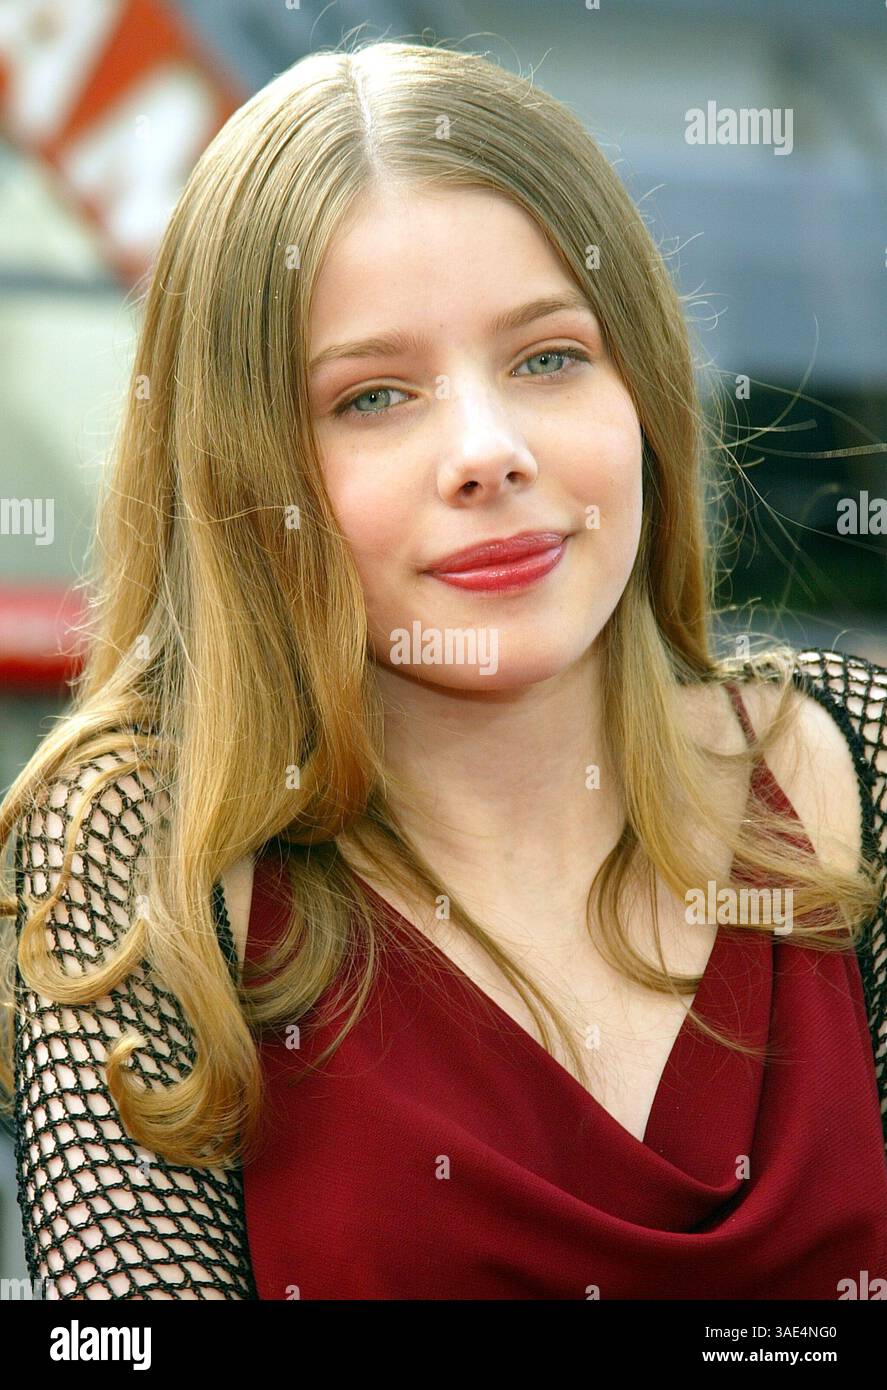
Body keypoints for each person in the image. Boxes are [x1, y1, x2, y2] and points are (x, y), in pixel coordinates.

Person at [1, 40, 884, 1301]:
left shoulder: (854, 762)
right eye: (373, 396)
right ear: (245, 476)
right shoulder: (140, 849)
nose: (486, 451)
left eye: (546, 358)